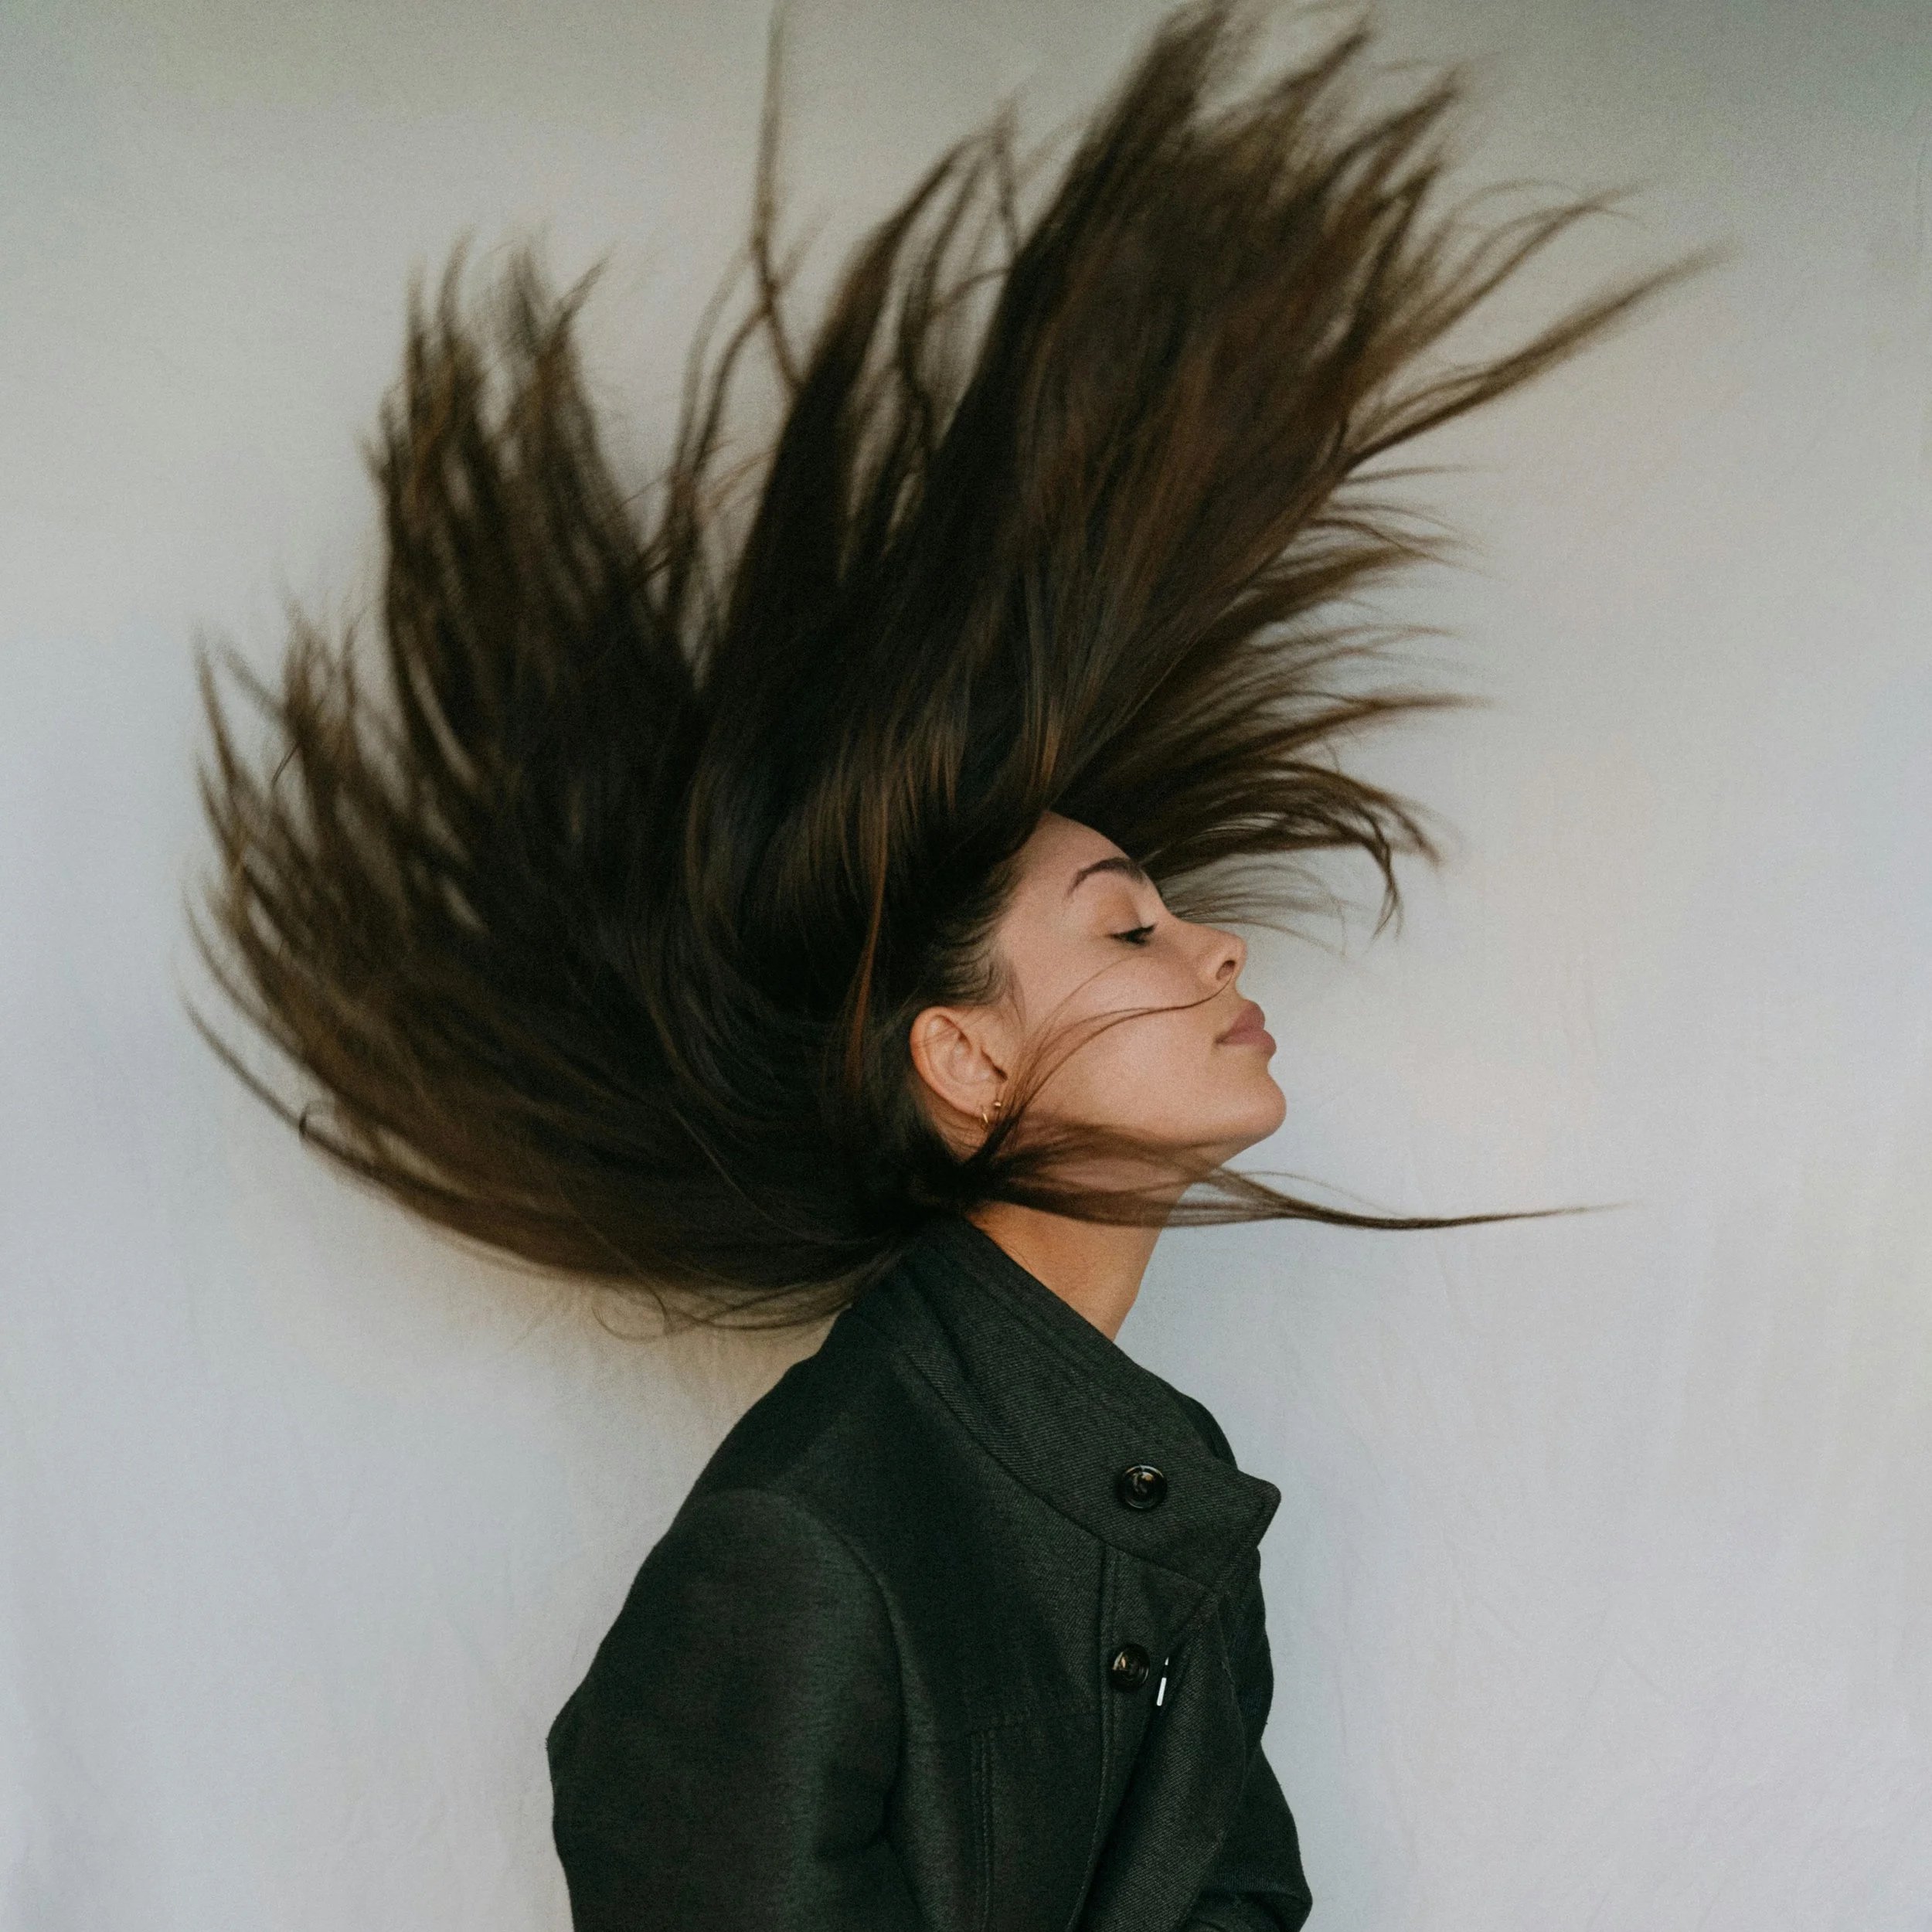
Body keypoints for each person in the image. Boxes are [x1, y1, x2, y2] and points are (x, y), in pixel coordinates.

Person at [183, 1, 1712, 1923]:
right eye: (1129, 921)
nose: (1217, 934)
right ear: (964, 1061)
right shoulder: (806, 1534)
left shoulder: (1143, 1477)